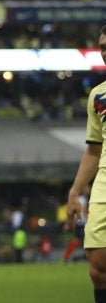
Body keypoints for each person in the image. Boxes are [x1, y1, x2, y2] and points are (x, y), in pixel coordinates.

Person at [67, 24, 106, 303]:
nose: (105, 52)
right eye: (103, 47)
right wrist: (75, 191)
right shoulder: (98, 96)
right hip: (104, 188)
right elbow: (93, 150)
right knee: (98, 269)